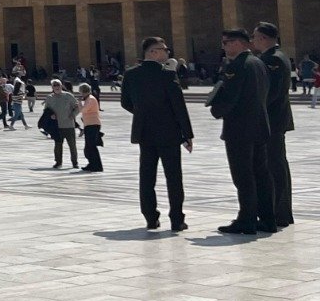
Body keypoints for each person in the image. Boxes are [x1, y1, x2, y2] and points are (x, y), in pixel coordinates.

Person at [121, 35, 194, 231]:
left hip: (144, 132)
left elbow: (125, 102)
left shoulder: (131, 74)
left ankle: (150, 218)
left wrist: (142, 114)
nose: (167, 52)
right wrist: (187, 134)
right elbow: (179, 107)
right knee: (173, 178)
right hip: (169, 132)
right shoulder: (167, 75)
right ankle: (177, 219)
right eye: (163, 49)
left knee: (147, 177)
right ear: (152, 52)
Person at [209, 28, 276, 235]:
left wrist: (215, 109)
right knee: (261, 174)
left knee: (243, 176)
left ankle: (246, 219)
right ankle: (267, 219)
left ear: (238, 43)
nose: (224, 47)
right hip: (259, 127)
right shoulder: (258, 62)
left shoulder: (238, 66)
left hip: (240, 130)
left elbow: (230, 97)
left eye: (226, 43)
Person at [251, 21, 295, 228]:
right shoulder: (274, 57)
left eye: (255, 36)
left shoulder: (273, 60)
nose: (252, 40)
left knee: (274, 167)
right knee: (275, 165)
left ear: (264, 39)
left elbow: (272, 93)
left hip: (272, 121)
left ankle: (280, 213)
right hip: (274, 120)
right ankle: (281, 212)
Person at [43, 80, 81, 168]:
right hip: (57, 126)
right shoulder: (49, 97)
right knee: (58, 146)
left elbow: (77, 107)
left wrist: (73, 114)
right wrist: (50, 115)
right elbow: (46, 111)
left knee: (72, 145)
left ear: (61, 86)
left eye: (58, 85)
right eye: (54, 85)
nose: (56, 87)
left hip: (69, 125)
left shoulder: (68, 96)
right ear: (52, 87)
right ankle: (58, 162)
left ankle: (75, 163)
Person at [77, 83, 103, 172]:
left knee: (91, 146)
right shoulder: (88, 99)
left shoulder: (90, 99)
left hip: (93, 125)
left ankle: (97, 166)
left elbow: (83, 110)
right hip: (89, 124)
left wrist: (79, 103)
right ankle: (92, 163)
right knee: (88, 146)